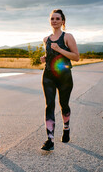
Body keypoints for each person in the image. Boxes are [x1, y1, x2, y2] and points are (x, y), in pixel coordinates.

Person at [40, 9, 79, 151]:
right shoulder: (46, 39)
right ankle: (50, 140)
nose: (54, 21)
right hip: (48, 75)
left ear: (63, 21)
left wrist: (60, 49)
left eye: (57, 18)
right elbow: (51, 55)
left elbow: (76, 57)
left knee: (64, 104)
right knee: (49, 105)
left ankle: (66, 128)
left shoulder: (67, 36)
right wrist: (45, 58)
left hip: (64, 77)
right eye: (52, 19)